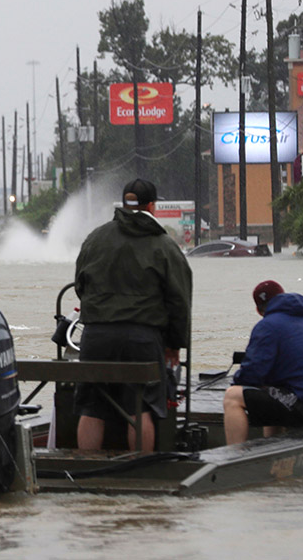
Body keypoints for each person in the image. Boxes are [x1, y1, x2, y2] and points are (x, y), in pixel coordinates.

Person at [72, 178, 192, 453]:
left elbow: (80, 285)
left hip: (96, 336)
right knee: (141, 406)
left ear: (124, 203)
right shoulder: (164, 245)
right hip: (142, 338)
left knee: (91, 405)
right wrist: (174, 343)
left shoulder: (96, 238)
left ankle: (85, 465)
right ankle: (138, 468)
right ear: (152, 206)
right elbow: (179, 299)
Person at [222, 281, 303, 445]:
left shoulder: (267, 325)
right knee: (270, 390)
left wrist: (237, 382)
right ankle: (272, 447)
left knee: (233, 396)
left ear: (258, 310)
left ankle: (233, 457)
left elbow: (251, 374)